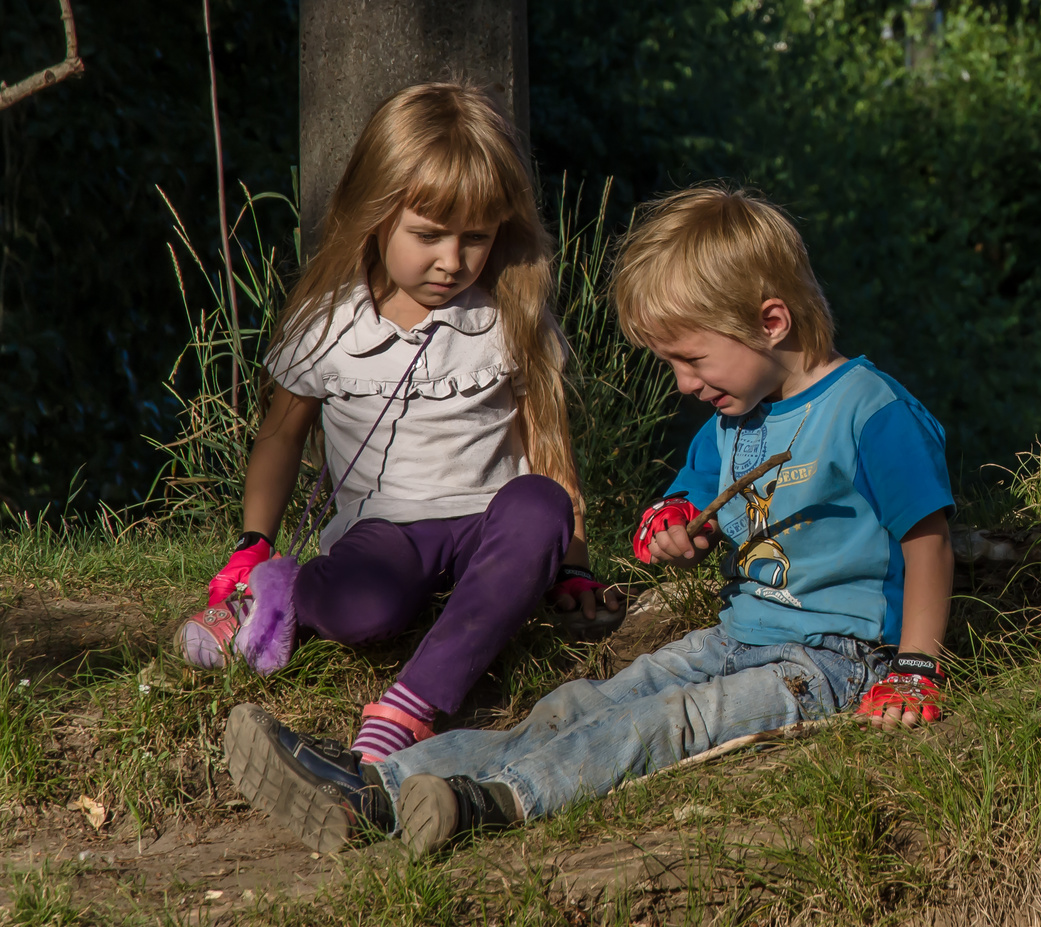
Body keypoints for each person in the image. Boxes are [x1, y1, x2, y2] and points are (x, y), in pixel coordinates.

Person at [222, 185, 955, 856]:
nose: (685, 384)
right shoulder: (736, 418)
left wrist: (917, 666)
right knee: (585, 699)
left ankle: (492, 800)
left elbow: (927, 538)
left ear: (771, 321)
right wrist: (673, 526)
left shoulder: (869, 410)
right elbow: (692, 495)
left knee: (666, 722)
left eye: (691, 359)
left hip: (832, 658)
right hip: (737, 633)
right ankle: (374, 784)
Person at [180, 82, 620, 764]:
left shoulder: (507, 318)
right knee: (363, 611)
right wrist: (253, 541)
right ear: (376, 214)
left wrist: (574, 563)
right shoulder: (330, 323)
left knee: (539, 505)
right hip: (385, 537)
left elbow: (548, 445)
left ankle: (411, 702)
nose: (452, 260)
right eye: (428, 235)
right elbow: (280, 436)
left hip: (489, 525)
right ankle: (281, 588)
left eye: (476, 237)